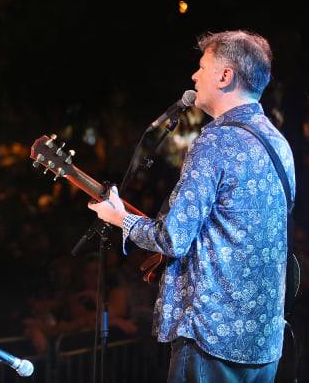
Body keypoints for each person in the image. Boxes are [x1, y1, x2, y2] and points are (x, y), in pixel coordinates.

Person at [88, 30, 295, 382]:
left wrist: (120, 219)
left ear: (225, 76)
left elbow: (173, 238)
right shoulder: (279, 143)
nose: (194, 76)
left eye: (202, 66)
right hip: (264, 342)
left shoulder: (216, 141)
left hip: (211, 336)